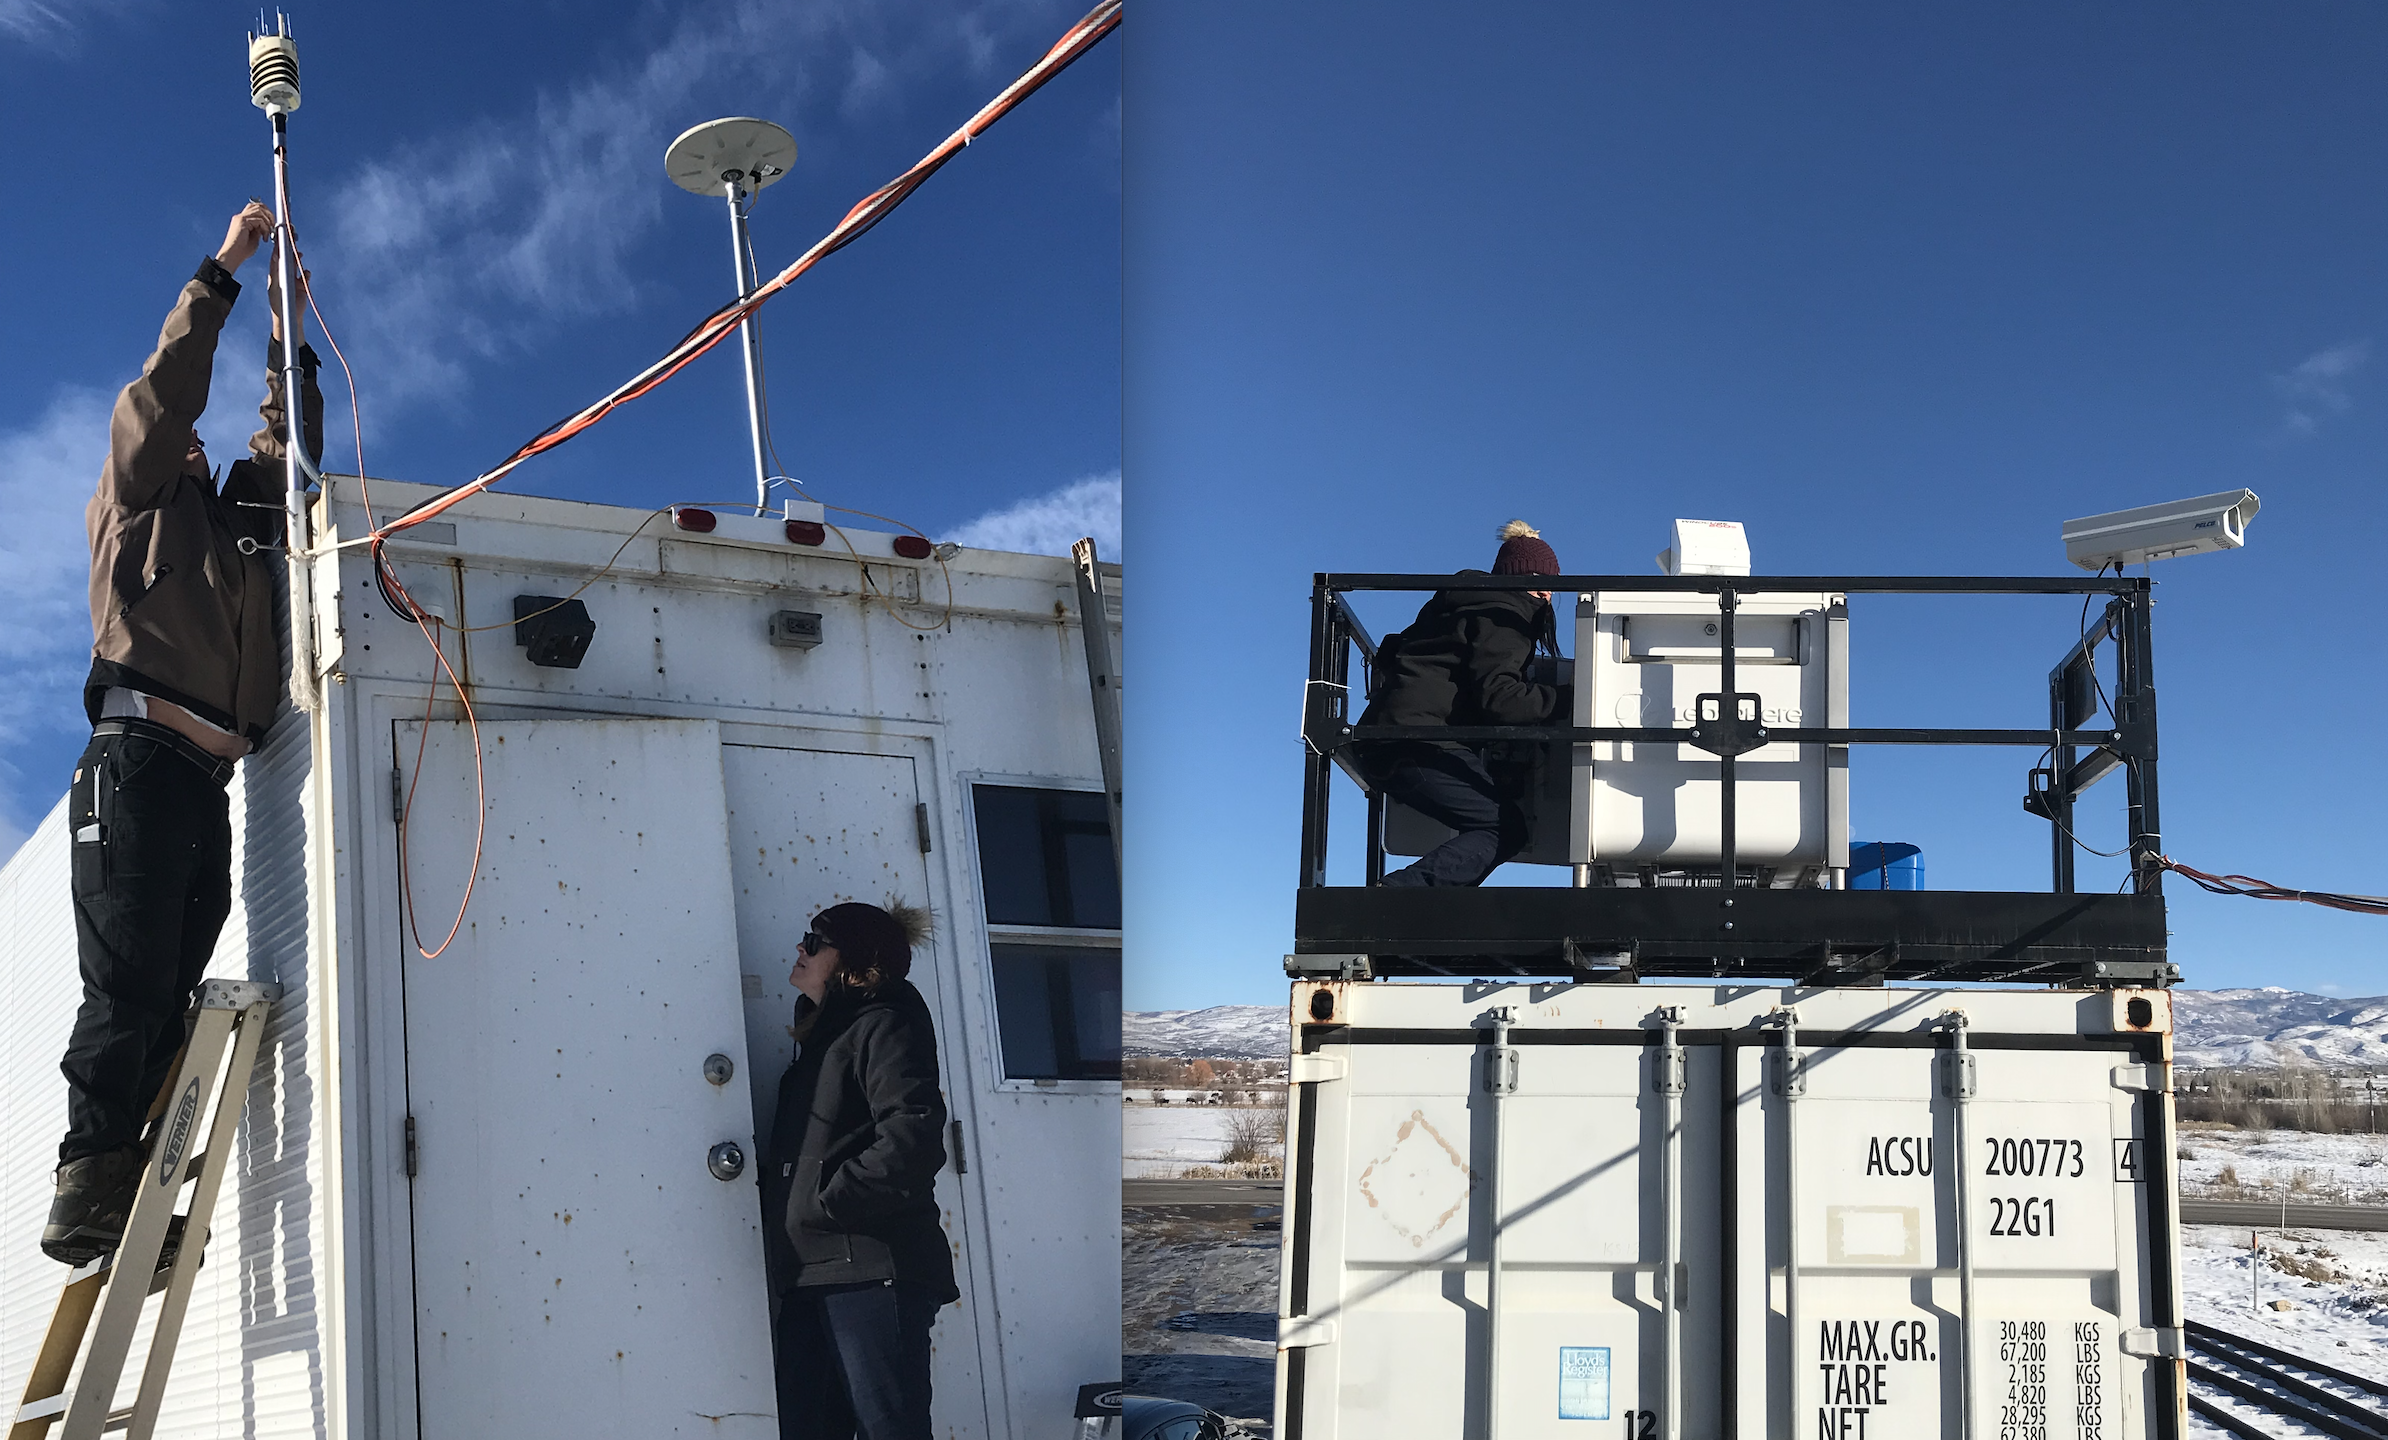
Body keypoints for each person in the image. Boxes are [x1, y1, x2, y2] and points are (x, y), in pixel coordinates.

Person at [44, 202, 324, 1265]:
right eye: (188, 435)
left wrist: (288, 327)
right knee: (126, 984)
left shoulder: (236, 524)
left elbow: (288, 448)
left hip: (206, 788)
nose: (198, 441)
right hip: (135, 766)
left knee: (171, 993)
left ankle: (125, 1199)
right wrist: (227, 272)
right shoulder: (137, 497)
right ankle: (85, 1188)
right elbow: (165, 393)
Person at [762, 900, 959, 1440]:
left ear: (852, 960)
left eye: (815, 941)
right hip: (810, 1272)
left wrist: (827, 1204)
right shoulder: (825, 1038)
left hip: (869, 1268)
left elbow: (913, 1136)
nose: (800, 949)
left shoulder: (886, 1021)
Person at [1355, 519, 1568, 887]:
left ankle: (1401, 905)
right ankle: (1392, 899)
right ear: (1516, 578)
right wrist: (1568, 699)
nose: (1547, 593)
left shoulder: (1462, 604)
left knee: (1496, 824)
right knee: (1503, 828)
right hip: (1416, 741)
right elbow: (1502, 700)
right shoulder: (1505, 615)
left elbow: (1400, 653)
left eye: (1552, 583)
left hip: (1387, 737)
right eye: (1540, 580)